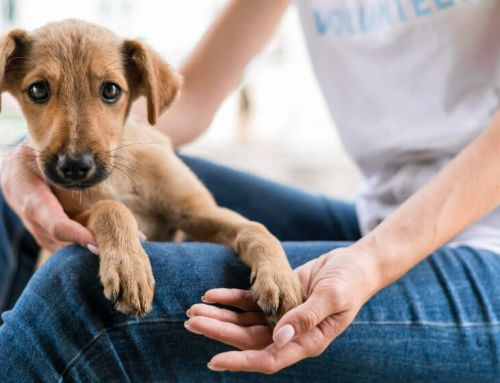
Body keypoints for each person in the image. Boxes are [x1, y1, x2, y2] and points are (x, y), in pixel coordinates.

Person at [0, 0, 499, 381]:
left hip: (484, 251)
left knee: (81, 291)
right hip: (381, 215)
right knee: (12, 202)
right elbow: (186, 100)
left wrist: (371, 261)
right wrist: (19, 156)